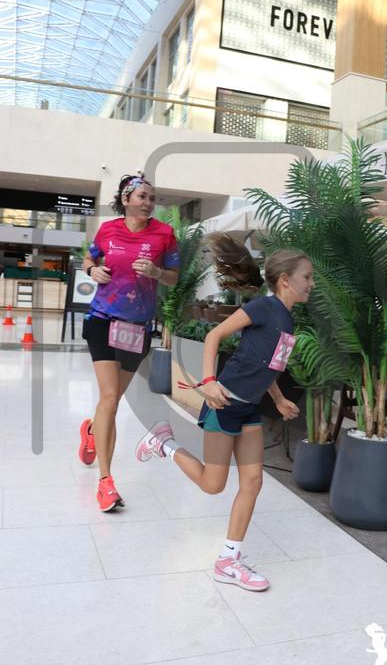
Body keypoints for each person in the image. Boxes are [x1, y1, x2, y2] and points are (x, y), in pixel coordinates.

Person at [135, 249, 314, 592]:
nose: (311, 284)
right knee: (213, 484)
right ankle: (163, 444)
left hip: (249, 408)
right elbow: (214, 336)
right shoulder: (263, 307)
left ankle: (228, 560)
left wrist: (278, 399)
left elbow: (268, 366)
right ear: (285, 280)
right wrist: (207, 381)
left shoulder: (287, 319)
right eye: (307, 277)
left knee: (253, 482)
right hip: (224, 404)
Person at [80, 174, 179, 512]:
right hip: (102, 319)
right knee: (110, 398)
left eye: (152, 197)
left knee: (112, 400)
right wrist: (92, 271)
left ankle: (92, 428)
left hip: (137, 327)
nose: (148, 203)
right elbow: (88, 259)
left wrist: (156, 273)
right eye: (142, 196)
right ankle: (106, 482)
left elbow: (174, 277)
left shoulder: (165, 234)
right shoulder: (108, 230)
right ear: (126, 199)